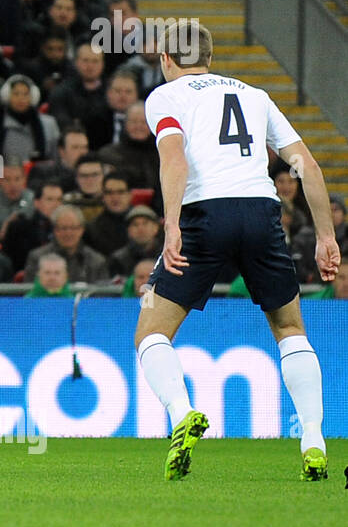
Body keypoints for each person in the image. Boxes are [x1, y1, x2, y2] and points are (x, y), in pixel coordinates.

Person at [136, 26, 339, 482]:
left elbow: (175, 160)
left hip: (204, 214)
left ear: (167, 58)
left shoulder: (165, 97)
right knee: (289, 327)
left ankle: (181, 412)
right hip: (263, 214)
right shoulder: (254, 95)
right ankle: (313, 440)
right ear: (209, 56)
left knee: (151, 329)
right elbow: (306, 165)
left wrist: (171, 223)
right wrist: (327, 235)